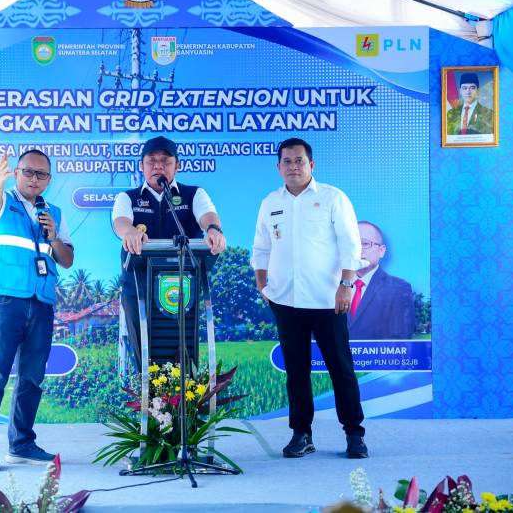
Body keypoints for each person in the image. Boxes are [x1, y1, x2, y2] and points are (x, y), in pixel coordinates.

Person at [251, 137, 368, 459]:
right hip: (285, 301)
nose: (293, 167)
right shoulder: (270, 202)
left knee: (340, 368)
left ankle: (354, 434)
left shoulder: (332, 198)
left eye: (299, 160)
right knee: (296, 371)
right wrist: (262, 284)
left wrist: (346, 284)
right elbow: (261, 246)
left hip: (328, 299)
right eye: (287, 161)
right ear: (278, 167)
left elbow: (350, 244)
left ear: (311, 164)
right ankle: (301, 434)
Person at [0, 149, 74, 471]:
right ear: (16, 173)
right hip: (5, 300)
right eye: (28, 172)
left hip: (41, 302)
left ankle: (22, 444)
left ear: (49, 180)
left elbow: (67, 260)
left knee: (32, 378)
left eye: (41, 174)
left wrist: (53, 236)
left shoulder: (54, 212)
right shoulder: (2, 201)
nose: (34, 179)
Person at [111, 135, 226, 369]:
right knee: (145, 354)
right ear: (141, 165)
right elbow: (120, 222)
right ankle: (148, 392)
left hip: (182, 286)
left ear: (177, 165)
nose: (158, 166)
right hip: (138, 286)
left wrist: (213, 229)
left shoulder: (194, 194)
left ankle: (186, 391)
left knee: (182, 354)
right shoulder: (128, 197)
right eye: (151, 161)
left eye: (165, 161)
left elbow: (207, 215)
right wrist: (130, 232)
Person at [347, 221, 416, 340]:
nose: (358, 249)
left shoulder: (399, 289)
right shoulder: (330, 287)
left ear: (381, 251)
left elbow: (400, 341)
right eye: (353, 243)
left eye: (365, 243)